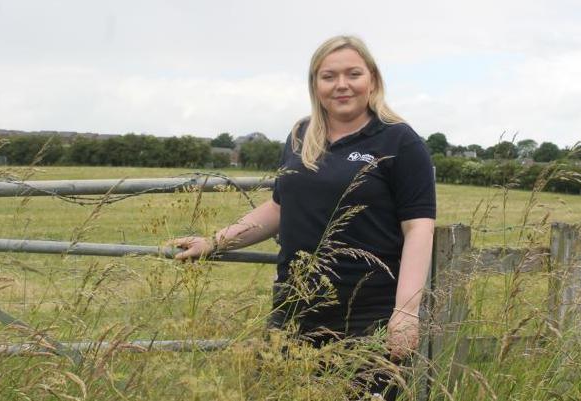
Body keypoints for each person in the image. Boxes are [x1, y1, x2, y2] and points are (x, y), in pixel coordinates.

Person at [171, 35, 435, 400]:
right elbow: (279, 207)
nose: (341, 85)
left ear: (372, 79)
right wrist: (215, 242)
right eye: (329, 76)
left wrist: (406, 312)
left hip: (366, 314)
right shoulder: (301, 134)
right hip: (295, 308)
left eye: (353, 74)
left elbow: (418, 226)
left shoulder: (399, 141)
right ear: (315, 84)